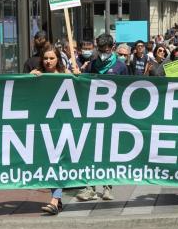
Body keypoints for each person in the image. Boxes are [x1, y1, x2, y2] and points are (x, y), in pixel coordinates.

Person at [78, 33, 127, 201]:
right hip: (93, 114)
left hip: (112, 116)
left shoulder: (120, 67)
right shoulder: (92, 65)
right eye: (100, 50)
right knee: (91, 151)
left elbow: (126, 90)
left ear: (112, 48)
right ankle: (90, 187)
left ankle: (107, 187)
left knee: (108, 151)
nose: (102, 53)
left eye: (105, 50)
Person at [30, 45, 74, 214]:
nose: (48, 62)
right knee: (48, 163)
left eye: (52, 58)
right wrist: (28, 79)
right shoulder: (36, 75)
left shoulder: (65, 75)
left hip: (62, 126)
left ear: (58, 59)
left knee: (57, 162)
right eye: (45, 58)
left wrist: (76, 77)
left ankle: (55, 200)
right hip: (42, 127)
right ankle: (58, 199)